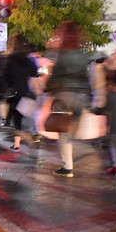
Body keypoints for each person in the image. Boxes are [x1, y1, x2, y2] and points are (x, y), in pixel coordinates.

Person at [45, 21, 93, 177]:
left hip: (65, 95)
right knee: (72, 130)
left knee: (63, 132)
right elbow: (86, 77)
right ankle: (70, 156)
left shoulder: (62, 53)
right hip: (80, 97)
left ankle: (67, 167)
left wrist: (48, 87)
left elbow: (56, 74)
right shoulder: (82, 55)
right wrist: (88, 95)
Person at [0, 34, 38, 151]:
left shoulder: (9, 59)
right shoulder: (27, 59)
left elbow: (1, 77)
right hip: (25, 92)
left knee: (13, 120)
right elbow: (34, 72)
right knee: (19, 119)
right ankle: (17, 144)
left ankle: (23, 137)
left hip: (12, 93)